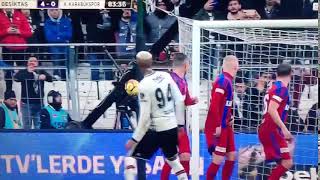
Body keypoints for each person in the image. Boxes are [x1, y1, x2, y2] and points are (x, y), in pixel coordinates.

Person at [124, 51, 188, 180]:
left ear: (138, 65)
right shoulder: (166, 75)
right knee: (174, 161)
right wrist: (180, 125)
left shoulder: (143, 85)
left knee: (131, 158)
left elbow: (145, 117)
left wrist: (135, 139)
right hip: (171, 127)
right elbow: (180, 100)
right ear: (152, 61)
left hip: (156, 129)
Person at [161, 53, 198, 179]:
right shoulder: (171, 81)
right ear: (186, 65)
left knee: (184, 156)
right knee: (175, 157)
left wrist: (192, 101)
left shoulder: (182, 80)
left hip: (178, 126)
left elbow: (185, 101)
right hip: (172, 125)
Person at [205, 55, 239, 180]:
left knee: (231, 156)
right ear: (235, 67)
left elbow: (223, 105)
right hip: (218, 124)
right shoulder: (222, 80)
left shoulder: (227, 80)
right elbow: (214, 104)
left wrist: (229, 117)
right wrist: (218, 124)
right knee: (218, 158)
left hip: (225, 123)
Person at [258, 63, 294, 180]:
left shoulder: (273, 87)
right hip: (272, 130)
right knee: (287, 162)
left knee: (282, 162)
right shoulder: (281, 88)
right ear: (291, 74)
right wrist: (285, 129)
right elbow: (272, 110)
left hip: (267, 129)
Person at [14, 56, 53, 129]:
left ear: (37, 63)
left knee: (38, 125)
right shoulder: (24, 71)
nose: (32, 63)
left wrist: (45, 77)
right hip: (26, 104)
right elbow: (16, 78)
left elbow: (51, 79)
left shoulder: (41, 71)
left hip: (39, 103)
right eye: (30, 61)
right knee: (26, 125)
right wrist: (29, 73)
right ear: (27, 63)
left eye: (34, 61)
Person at [0, 9, 32, 92]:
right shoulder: (0, 15)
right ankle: (8, 92)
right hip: (7, 48)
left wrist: (19, 31)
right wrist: (6, 31)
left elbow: (29, 32)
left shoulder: (20, 15)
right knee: (8, 71)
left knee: (23, 71)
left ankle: (25, 92)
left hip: (20, 48)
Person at [44, 9, 72, 80]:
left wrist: (57, 35)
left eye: (56, 10)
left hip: (65, 45)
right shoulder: (47, 22)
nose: (54, 12)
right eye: (52, 10)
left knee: (66, 62)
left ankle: (66, 77)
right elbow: (49, 36)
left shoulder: (66, 21)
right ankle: (56, 77)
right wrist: (61, 36)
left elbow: (69, 34)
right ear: (49, 12)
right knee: (56, 61)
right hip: (54, 46)